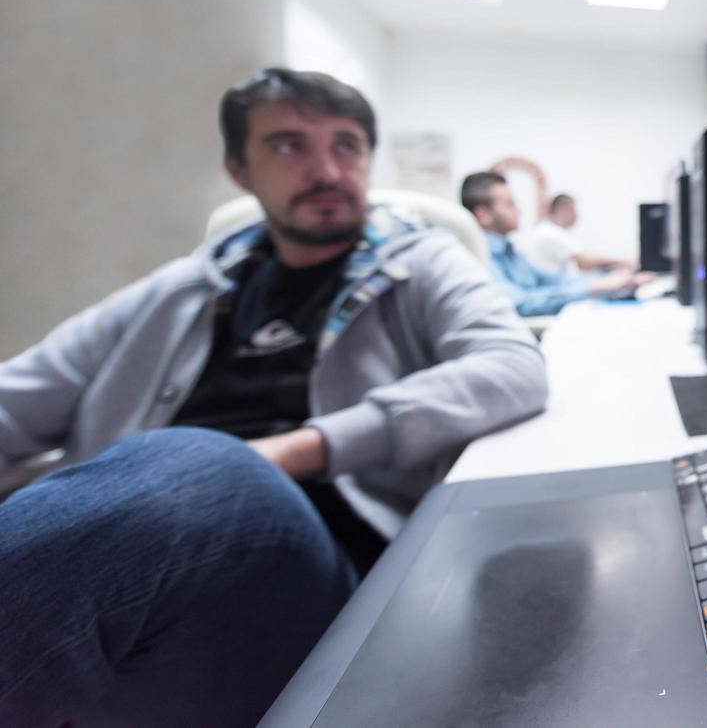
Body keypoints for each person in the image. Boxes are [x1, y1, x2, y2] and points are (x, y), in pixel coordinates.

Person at [0, 68, 548, 727]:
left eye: (346, 145)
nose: (326, 169)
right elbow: (18, 400)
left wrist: (295, 450)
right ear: (239, 170)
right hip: (139, 563)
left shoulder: (421, 261)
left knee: (201, 465)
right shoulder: (182, 287)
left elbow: (511, 364)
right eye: (289, 146)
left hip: (317, 571)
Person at [462, 172, 652, 317]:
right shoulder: (481, 255)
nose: (518, 210)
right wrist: (597, 286)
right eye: (510, 204)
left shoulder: (509, 250)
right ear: (483, 215)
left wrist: (614, 281)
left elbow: (554, 280)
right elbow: (520, 304)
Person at [521, 192, 636, 276]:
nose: (577, 216)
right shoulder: (549, 233)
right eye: (574, 211)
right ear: (563, 210)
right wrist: (625, 260)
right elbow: (585, 262)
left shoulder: (548, 230)